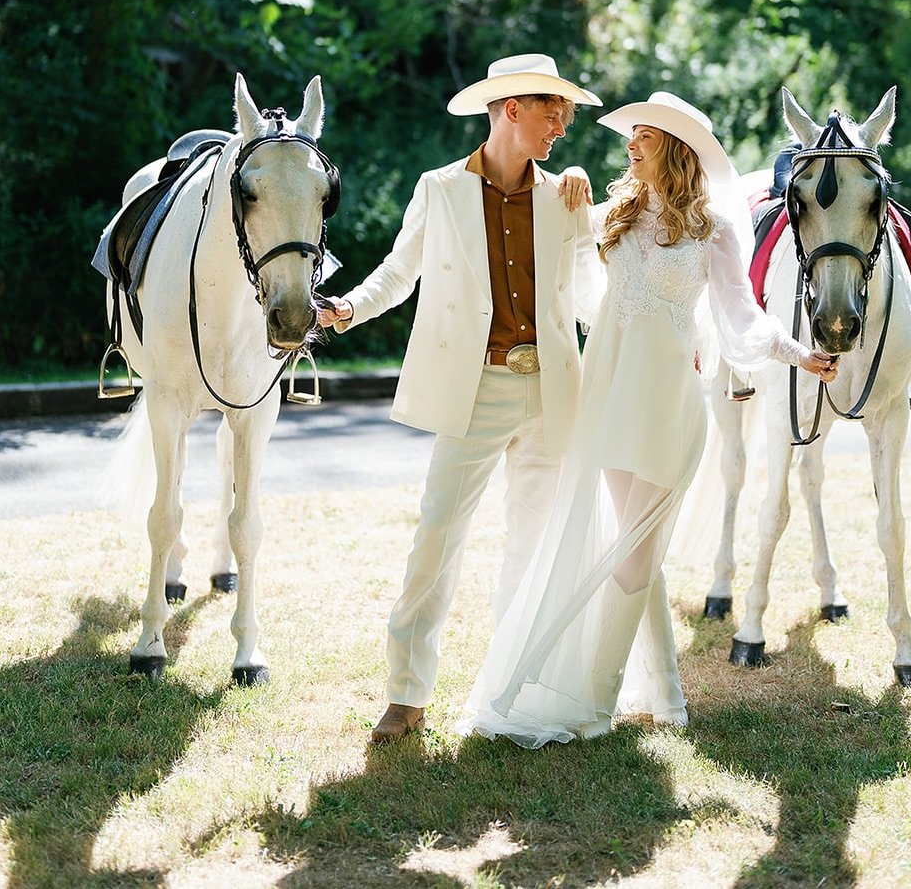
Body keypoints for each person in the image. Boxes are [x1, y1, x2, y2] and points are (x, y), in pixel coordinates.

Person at [463, 91, 839, 747]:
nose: (630, 144)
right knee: (638, 551)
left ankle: (590, 701)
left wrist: (797, 352)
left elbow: (741, 316)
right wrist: (569, 181)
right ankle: (665, 695)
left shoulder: (714, 229)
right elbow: (557, 249)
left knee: (632, 560)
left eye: (644, 135)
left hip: (668, 407)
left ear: (674, 148)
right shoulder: (614, 216)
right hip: (609, 401)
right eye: (631, 134)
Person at [319, 54, 605, 743]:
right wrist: (347, 308)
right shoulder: (440, 189)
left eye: (565, 118)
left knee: (535, 545)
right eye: (552, 114)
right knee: (437, 534)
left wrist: (637, 337)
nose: (561, 128)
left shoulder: (566, 196)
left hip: (555, 392)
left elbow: (590, 294)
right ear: (512, 109)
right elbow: (400, 271)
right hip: (475, 388)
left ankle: (516, 688)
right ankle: (406, 694)